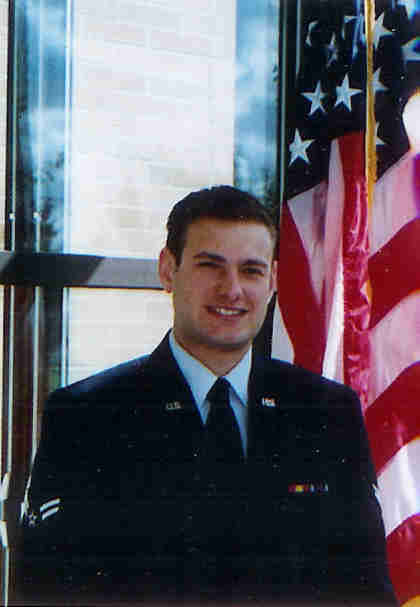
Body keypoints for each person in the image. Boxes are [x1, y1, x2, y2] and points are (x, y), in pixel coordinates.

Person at [19, 186, 394, 604]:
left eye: (250, 271)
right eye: (210, 266)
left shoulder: (327, 412)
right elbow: (46, 593)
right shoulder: (87, 417)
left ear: (272, 281)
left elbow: (368, 593)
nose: (231, 289)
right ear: (168, 270)